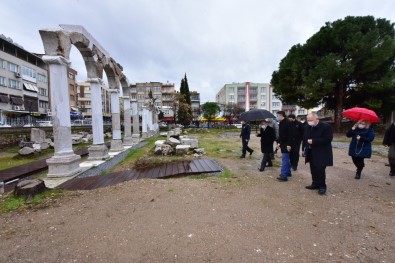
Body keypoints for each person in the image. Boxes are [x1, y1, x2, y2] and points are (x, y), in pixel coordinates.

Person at [304, 112, 333, 195]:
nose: (309, 121)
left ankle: (322, 186)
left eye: (311, 120)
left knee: (320, 169)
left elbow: (328, 139)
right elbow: (305, 138)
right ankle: (315, 183)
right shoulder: (308, 127)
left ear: (317, 119)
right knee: (313, 169)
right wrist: (304, 149)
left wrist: (314, 141)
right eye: (308, 120)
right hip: (311, 151)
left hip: (322, 152)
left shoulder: (326, 127)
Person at [276, 111, 296, 181]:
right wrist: (279, 143)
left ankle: (284, 175)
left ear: (281, 115)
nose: (277, 117)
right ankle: (288, 172)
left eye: (277, 115)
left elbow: (291, 135)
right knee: (286, 158)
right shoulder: (281, 123)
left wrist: (289, 145)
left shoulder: (288, 122)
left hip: (287, 144)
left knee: (284, 159)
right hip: (283, 143)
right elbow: (281, 134)